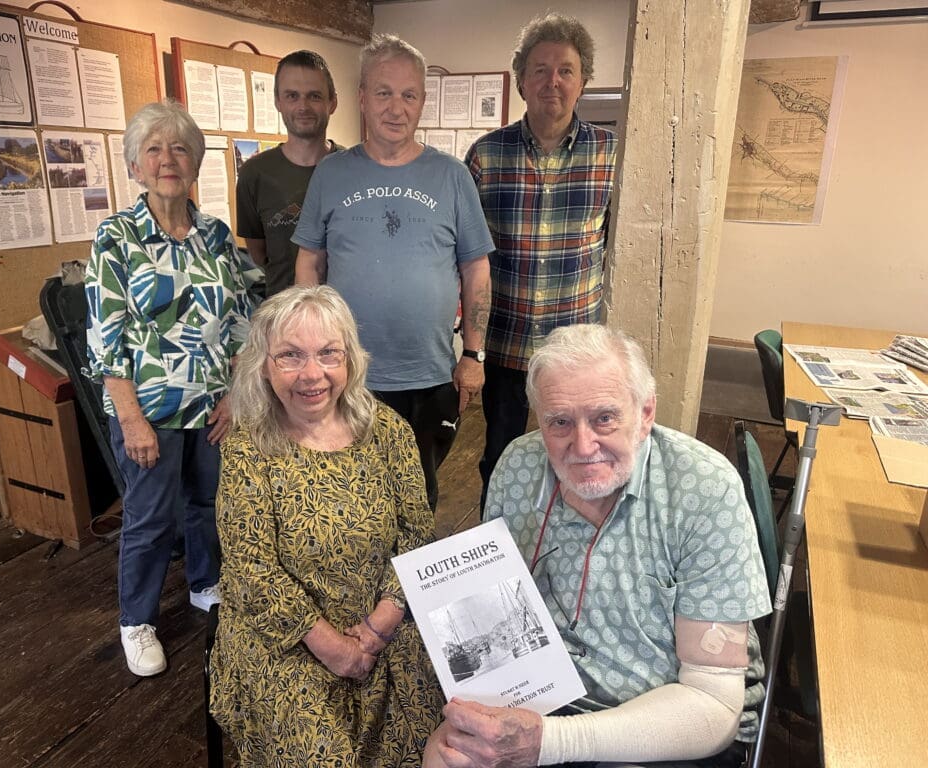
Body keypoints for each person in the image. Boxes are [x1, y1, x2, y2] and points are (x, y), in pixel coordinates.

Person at [424, 324, 772, 768]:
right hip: (541, 702)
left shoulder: (703, 489)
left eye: (604, 418)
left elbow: (713, 704)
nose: (583, 446)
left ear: (645, 413)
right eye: (560, 422)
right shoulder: (517, 467)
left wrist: (550, 742)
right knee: (445, 756)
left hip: (669, 725)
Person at [209, 284, 444, 766]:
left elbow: (417, 535)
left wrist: (379, 625)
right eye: (290, 356)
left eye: (328, 353)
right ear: (264, 365)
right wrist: (335, 648)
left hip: (384, 618)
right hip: (286, 633)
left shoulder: (388, 430)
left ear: (350, 359)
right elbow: (251, 569)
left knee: (439, 738)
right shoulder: (248, 446)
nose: (312, 374)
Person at [86, 100, 256, 677]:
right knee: (151, 518)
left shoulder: (215, 235)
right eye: (154, 149)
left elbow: (241, 323)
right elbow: (106, 339)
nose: (167, 160)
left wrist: (235, 395)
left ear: (196, 164)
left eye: (180, 149)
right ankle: (136, 620)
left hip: (211, 404)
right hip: (149, 409)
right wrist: (130, 419)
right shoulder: (116, 237)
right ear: (135, 166)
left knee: (208, 505)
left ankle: (206, 585)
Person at [293, 34, 494, 511]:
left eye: (409, 95)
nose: (396, 108)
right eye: (384, 92)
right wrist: (309, 348)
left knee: (418, 495)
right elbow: (309, 261)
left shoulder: (452, 176)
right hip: (347, 373)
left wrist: (474, 354)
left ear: (422, 101)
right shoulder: (331, 173)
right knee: (345, 496)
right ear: (362, 97)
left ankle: (410, 565)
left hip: (429, 373)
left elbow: (476, 268)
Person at [465, 14, 617, 509]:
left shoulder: (612, 154)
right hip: (505, 344)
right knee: (499, 456)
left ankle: (571, 540)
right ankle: (496, 540)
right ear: (521, 81)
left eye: (566, 70)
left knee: (579, 456)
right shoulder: (486, 156)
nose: (553, 81)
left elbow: (619, 246)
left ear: (583, 81)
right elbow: (467, 254)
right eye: (540, 70)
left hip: (576, 349)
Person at [236, 50, 342, 297]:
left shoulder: (353, 170)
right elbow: (258, 254)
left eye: (314, 96)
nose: (303, 106)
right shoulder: (254, 174)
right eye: (292, 96)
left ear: (332, 102)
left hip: (344, 310)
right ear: (278, 101)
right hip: (282, 311)